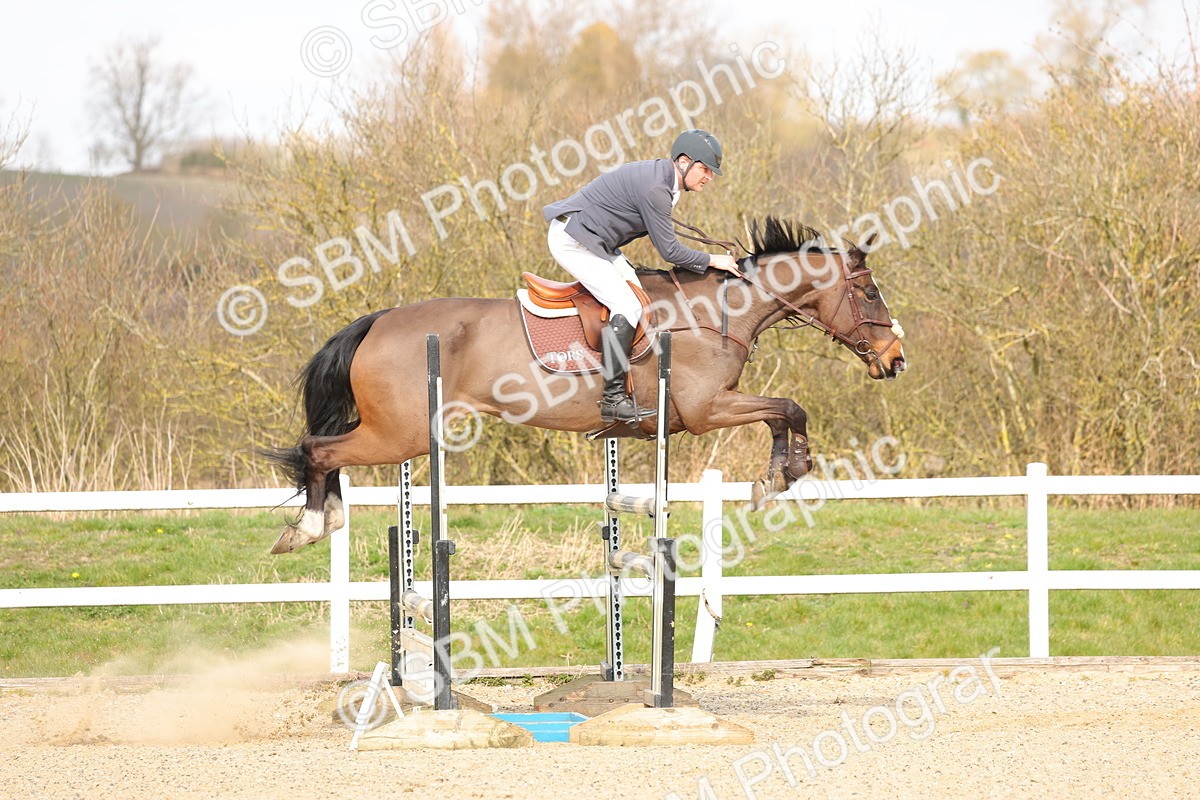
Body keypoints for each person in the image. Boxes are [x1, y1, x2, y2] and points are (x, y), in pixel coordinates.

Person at [542, 128, 741, 424]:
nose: (708, 177)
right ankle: (612, 399)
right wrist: (714, 260)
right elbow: (671, 253)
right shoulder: (656, 189)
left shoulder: (664, 182)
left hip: (597, 241)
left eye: (712, 172)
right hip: (575, 240)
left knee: (641, 299)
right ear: (684, 161)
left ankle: (632, 382)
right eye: (704, 169)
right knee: (628, 306)